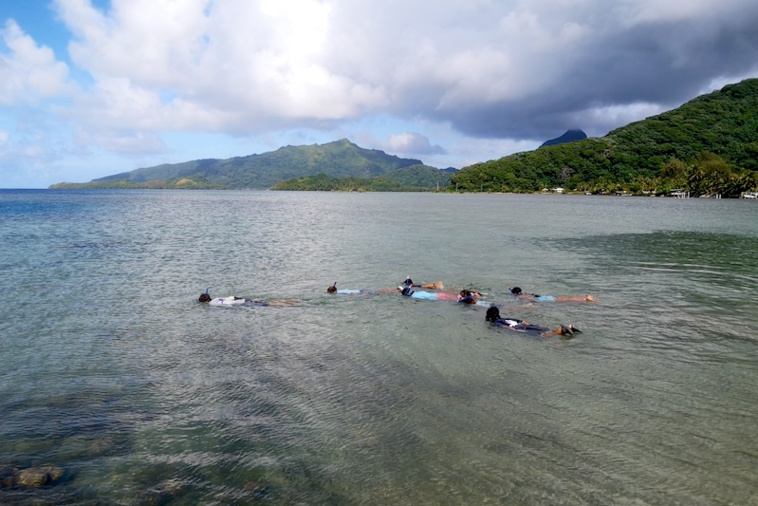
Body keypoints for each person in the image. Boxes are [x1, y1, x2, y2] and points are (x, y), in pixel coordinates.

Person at [485, 305, 580, 337]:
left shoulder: (495, 322)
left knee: (541, 336)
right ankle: (567, 328)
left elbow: (505, 327)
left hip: (517, 328)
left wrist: (518, 331)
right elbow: (523, 321)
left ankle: (561, 330)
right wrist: (531, 325)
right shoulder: (505, 318)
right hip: (522, 324)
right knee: (543, 330)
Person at [199, 290, 298, 307]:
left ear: (204, 302)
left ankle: (289, 304)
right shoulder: (217, 298)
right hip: (244, 300)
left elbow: (228, 306)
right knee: (266, 302)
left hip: (243, 304)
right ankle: (292, 300)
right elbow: (232, 297)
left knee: (269, 305)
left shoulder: (212, 304)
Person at [508, 286, 598, 303]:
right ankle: (584, 298)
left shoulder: (521, 296)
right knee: (567, 298)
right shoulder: (524, 293)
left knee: (567, 299)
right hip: (546, 297)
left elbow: (532, 300)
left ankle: (585, 299)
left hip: (545, 300)